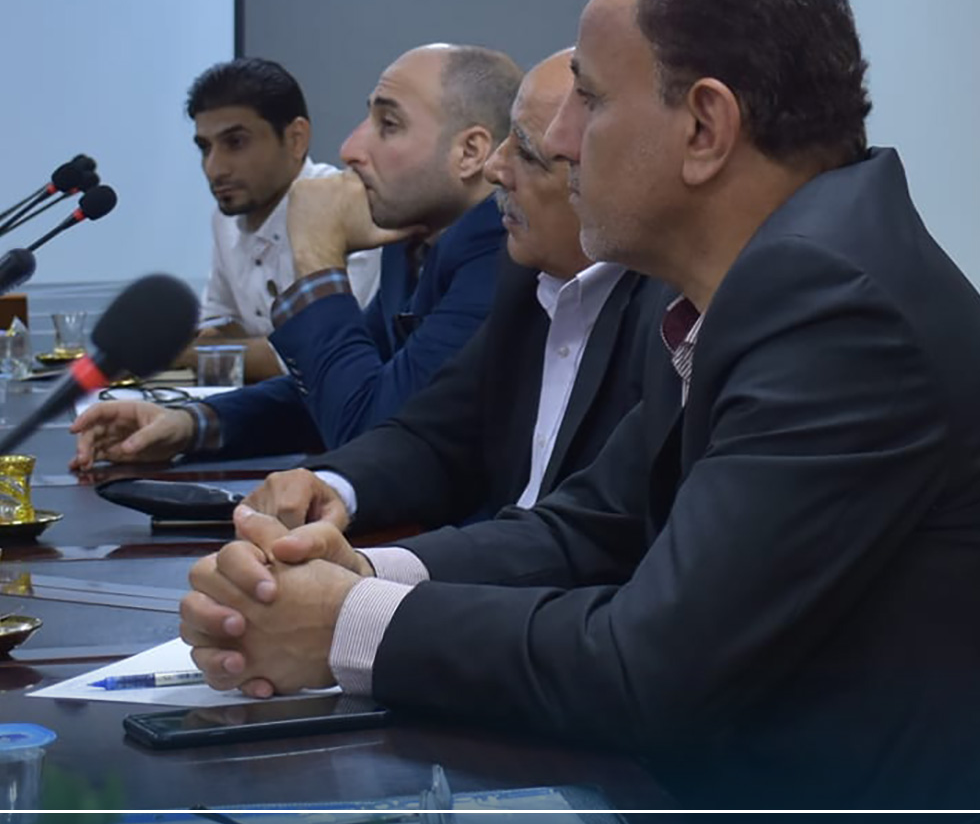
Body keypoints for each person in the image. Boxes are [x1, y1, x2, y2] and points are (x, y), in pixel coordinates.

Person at [176, 0, 980, 824]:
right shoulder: (742, 280)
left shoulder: (834, 303)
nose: (557, 142)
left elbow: (652, 666)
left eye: (590, 99)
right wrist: (360, 575)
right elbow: (589, 526)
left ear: (705, 127)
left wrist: (345, 625)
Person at [243, 49, 671, 534]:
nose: (495, 168)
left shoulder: (664, 313)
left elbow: (365, 418)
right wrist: (333, 487)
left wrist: (315, 256)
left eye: (526, 152)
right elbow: (432, 434)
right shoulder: (525, 277)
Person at [72, 43, 519, 464]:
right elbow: (328, 392)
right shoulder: (412, 244)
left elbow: (374, 437)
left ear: (470, 152)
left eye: (388, 125)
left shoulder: (499, 258)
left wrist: (316, 256)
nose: (350, 149)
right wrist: (191, 424)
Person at [183, 57, 381, 383]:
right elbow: (218, 325)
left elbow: (321, 356)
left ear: (295, 139)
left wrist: (182, 353)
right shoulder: (225, 220)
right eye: (205, 148)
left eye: (235, 142)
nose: (214, 168)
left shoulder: (350, 207)